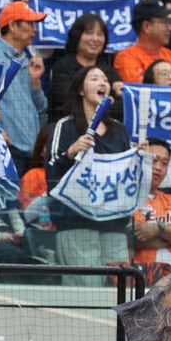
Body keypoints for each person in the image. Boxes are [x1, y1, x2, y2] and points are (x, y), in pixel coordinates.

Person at [45, 65, 132, 280]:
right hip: (76, 223)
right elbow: (52, 171)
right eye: (94, 79)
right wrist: (72, 152)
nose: (102, 83)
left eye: (105, 80)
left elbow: (127, 175)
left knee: (118, 291)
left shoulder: (120, 130)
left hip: (113, 225)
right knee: (85, 293)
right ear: (81, 90)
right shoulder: (65, 127)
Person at [0, 1, 47, 177]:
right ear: (13, 26)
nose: (35, 30)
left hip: (29, 154)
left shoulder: (26, 61)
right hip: (5, 153)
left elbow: (41, 109)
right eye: (30, 24)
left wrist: (35, 84)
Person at [129, 138, 171, 279]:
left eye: (164, 163)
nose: (158, 167)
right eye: (154, 160)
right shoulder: (128, 197)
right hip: (142, 276)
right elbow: (136, 237)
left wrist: (159, 229)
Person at [48, 12, 124, 121]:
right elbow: (67, 103)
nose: (95, 39)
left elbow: (122, 107)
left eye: (100, 34)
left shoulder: (108, 70)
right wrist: (107, 102)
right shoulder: (62, 67)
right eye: (89, 33)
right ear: (77, 36)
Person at [114, 0, 171, 86]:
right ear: (146, 26)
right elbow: (139, 91)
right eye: (165, 23)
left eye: (169, 22)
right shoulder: (126, 58)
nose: (170, 28)